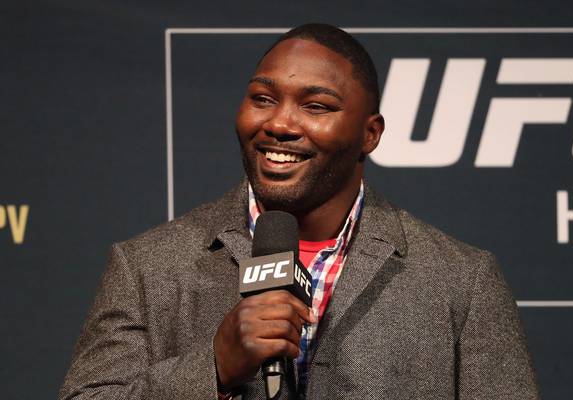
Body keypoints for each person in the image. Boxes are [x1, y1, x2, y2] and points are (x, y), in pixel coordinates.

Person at [59, 24, 540, 399]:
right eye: (263, 99)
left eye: (316, 106)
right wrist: (214, 367)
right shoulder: (145, 266)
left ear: (370, 134)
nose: (280, 123)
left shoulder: (462, 280)